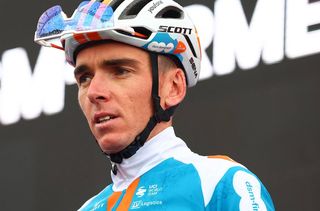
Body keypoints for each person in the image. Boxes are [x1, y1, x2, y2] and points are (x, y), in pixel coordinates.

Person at [35, 0, 275, 210]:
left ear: (173, 87)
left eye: (120, 71)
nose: (94, 92)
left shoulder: (220, 183)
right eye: (84, 78)